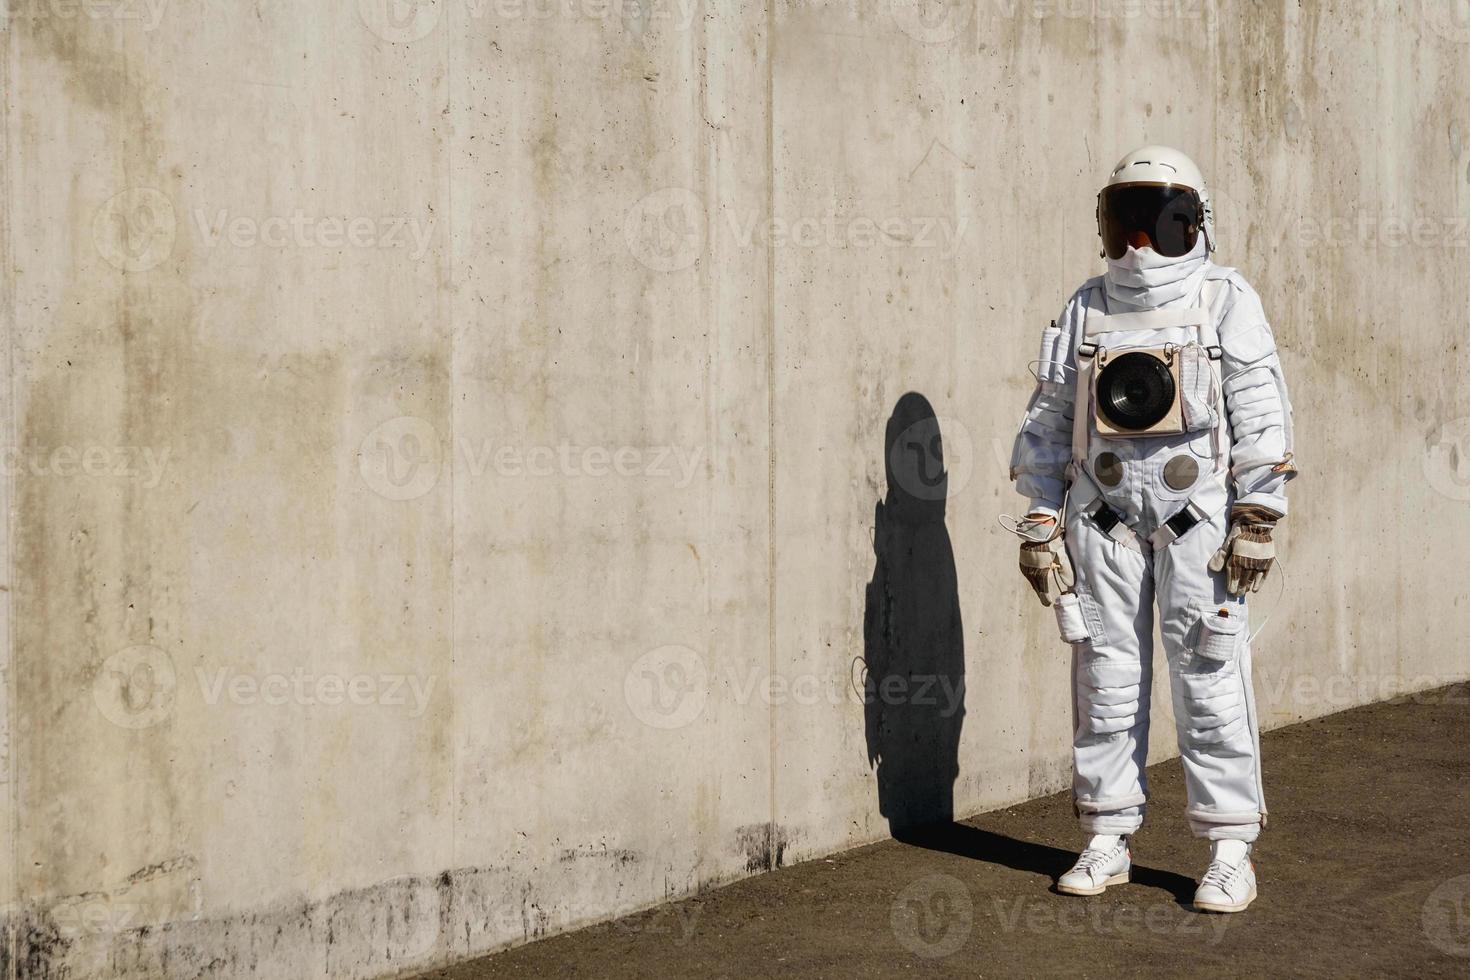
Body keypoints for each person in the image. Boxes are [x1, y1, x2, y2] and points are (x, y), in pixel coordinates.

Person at [1007, 145, 1296, 913]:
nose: (1136, 243)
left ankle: (1231, 848)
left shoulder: (1223, 297)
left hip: (1196, 517)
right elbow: (1048, 421)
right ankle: (1107, 835)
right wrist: (1040, 523)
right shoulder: (1087, 307)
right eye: (1123, 222)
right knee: (1104, 676)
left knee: (1208, 677)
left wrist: (1257, 512)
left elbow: (1261, 409)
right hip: (1102, 519)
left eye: (1154, 223)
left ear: (1190, 224)